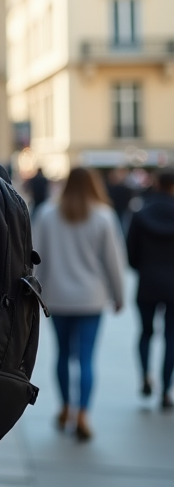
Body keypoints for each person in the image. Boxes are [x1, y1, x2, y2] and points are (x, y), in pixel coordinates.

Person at [32, 167, 126, 441]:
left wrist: (32, 294)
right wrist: (119, 295)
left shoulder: (48, 214)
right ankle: (83, 413)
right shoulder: (104, 216)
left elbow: (36, 257)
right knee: (86, 358)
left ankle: (64, 408)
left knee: (62, 355)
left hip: (57, 297)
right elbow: (113, 261)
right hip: (91, 298)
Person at [127, 168, 174, 409]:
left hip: (147, 281)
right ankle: (166, 390)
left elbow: (131, 254)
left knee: (146, 333)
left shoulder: (141, 213)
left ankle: (146, 374)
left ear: (156, 184)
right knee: (171, 338)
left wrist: (144, 267)